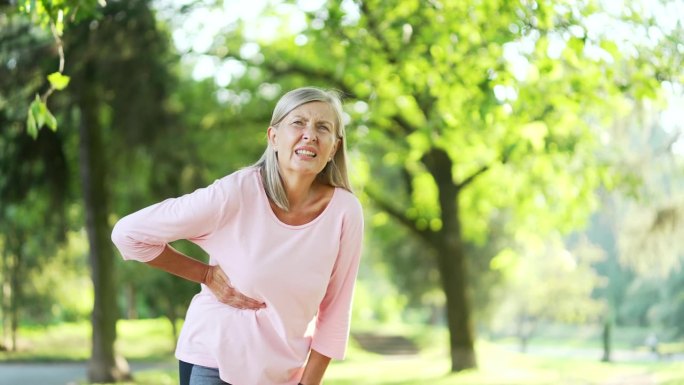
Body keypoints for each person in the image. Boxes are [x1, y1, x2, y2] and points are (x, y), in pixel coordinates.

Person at [111, 87, 364, 385]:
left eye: (323, 127)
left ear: (334, 147)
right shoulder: (236, 193)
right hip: (214, 359)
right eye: (298, 123)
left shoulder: (345, 212)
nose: (310, 134)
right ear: (273, 137)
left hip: (285, 371)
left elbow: (335, 311)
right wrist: (204, 274)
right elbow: (129, 233)